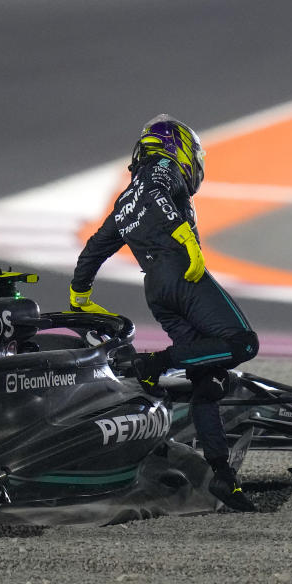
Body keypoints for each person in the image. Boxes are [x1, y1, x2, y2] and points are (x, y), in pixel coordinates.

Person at [68, 114, 258, 512]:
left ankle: (224, 477)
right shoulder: (161, 166)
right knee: (242, 342)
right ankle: (155, 363)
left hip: (156, 288)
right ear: (178, 147)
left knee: (207, 381)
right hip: (181, 274)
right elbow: (158, 192)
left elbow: (93, 249)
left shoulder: (123, 201)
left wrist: (80, 295)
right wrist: (186, 238)